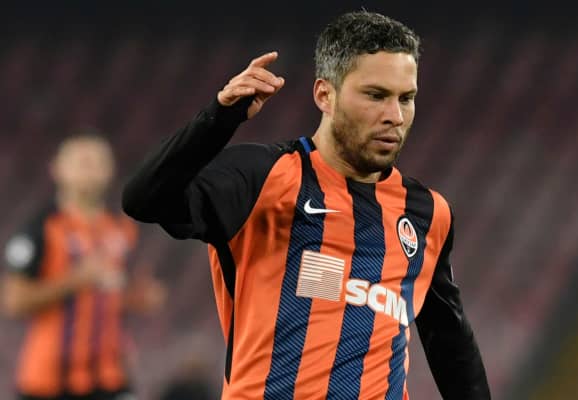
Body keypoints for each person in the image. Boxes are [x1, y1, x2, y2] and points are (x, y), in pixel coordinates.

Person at [122, 10, 490, 400]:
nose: (395, 116)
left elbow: (450, 342)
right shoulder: (262, 177)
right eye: (376, 95)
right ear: (324, 95)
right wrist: (218, 118)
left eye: (406, 98)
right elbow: (144, 200)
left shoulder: (427, 213)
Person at [2, 134, 164, 400]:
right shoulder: (40, 228)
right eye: (81, 161)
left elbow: (116, 295)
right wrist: (76, 280)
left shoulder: (122, 228)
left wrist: (137, 298)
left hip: (110, 377)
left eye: (97, 161)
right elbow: (13, 302)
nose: (90, 169)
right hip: (48, 382)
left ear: (110, 169)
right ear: (57, 168)